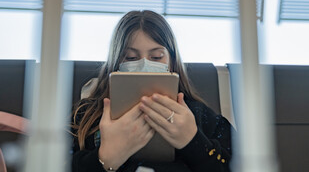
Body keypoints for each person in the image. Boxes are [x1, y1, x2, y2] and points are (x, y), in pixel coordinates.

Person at [70, 10, 234, 172]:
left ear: (172, 62)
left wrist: (193, 141)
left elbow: (239, 164)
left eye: (156, 57)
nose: (144, 65)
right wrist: (106, 158)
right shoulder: (84, 117)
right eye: (131, 58)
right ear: (115, 62)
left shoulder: (200, 116)